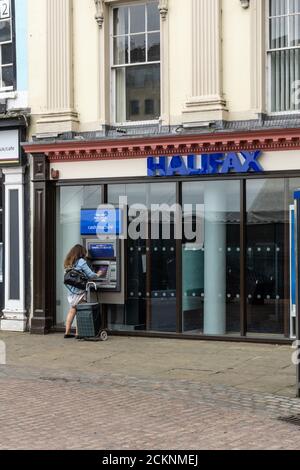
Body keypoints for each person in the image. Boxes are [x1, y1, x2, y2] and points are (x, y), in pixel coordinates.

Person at [64, 244, 103, 339]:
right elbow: (90, 275)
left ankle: (67, 331)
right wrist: (98, 274)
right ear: (81, 253)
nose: (86, 255)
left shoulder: (68, 261)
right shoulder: (81, 261)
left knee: (72, 310)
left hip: (70, 291)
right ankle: (78, 333)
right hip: (79, 291)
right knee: (80, 311)